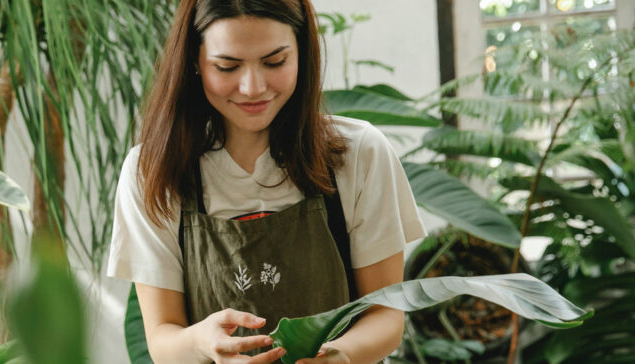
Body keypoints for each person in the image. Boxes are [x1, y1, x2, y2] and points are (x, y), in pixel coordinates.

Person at [106, 0, 426, 363]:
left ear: (302, 53)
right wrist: (200, 343)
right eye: (227, 66)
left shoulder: (359, 154)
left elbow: (384, 315)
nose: (253, 87)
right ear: (194, 61)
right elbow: (162, 336)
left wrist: (339, 355)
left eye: (275, 62)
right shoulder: (154, 170)